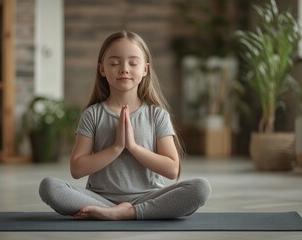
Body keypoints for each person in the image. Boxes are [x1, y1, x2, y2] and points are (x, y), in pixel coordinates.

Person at [39, 31, 211, 220]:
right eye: (114, 63)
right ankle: (121, 212)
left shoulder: (157, 115)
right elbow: (77, 169)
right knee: (49, 186)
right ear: (102, 69)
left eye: (133, 63)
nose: (124, 69)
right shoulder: (92, 114)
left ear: (145, 69)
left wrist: (133, 147)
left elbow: (172, 169)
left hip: (148, 197)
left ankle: (125, 213)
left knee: (200, 188)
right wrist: (117, 147)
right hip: (100, 198)